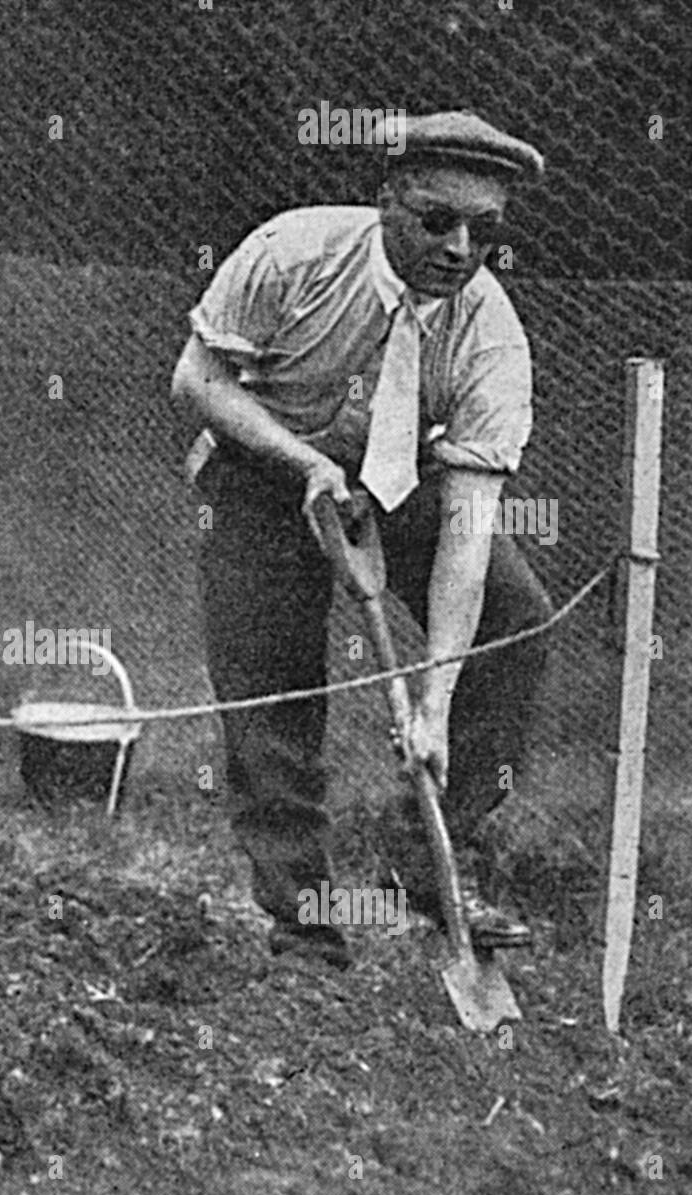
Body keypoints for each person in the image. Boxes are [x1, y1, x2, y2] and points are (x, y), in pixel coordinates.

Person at [171, 111, 550, 969]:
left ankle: (431, 865)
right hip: (264, 469)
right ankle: (304, 920)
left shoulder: (491, 334)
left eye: (482, 232)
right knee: (273, 691)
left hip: (399, 482)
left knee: (515, 616)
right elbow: (195, 379)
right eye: (436, 220)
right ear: (387, 201)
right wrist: (302, 463)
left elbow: (467, 526)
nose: (458, 247)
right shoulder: (293, 251)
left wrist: (435, 704)